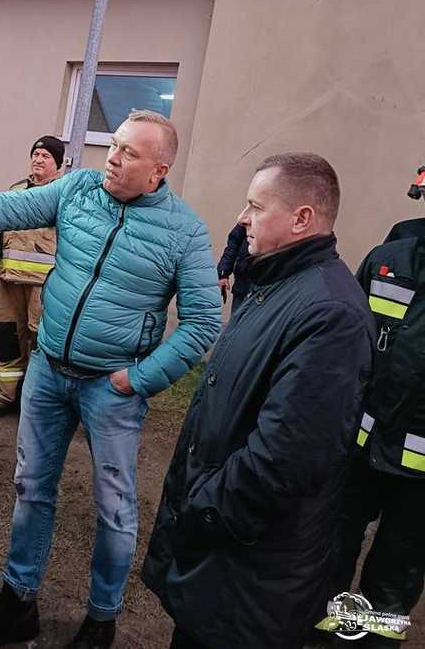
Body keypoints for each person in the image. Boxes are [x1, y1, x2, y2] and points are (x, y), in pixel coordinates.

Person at [0, 110, 222, 649]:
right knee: (32, 490)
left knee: (115, 507)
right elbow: (1, 207)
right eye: (113, 146)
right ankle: (16, 605)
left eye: (128, 153)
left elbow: (203, 322)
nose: (113, 159)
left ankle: (101, 620)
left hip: (112, 389)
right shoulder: (77, 189)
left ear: (159, 171)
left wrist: (141, 379)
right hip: (49, 371)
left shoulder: (185, 232)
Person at [141, 151, 375, 649]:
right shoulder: (270, 285)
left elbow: (285, 461)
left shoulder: (330, 314)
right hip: (223, 563)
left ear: (301, 219)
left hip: (250, 575)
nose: (242, 218)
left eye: (255, 205)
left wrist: (199, 513)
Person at [314, 182, 425, 648]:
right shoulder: (389, 261)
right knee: (331, 549)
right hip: (360, 446)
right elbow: (347, 345)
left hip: (420, 478)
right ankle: (322, 631)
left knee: (395, 575)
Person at [0, 136, 64, 417]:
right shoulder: (16, 190)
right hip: (9, 284)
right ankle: (6, 397)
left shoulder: (64, 195)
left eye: (46, 156)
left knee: (40, 344)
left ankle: (36, 402)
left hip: (45, 288)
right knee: (6, 339)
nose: (38, 159)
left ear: (58, 164)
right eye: (36, 153)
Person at [216, 223, 250, 312]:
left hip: (268, 287)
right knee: (237, 321)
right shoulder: (249, 216)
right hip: (242, 285)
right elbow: (233, 246)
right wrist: (223, 274)